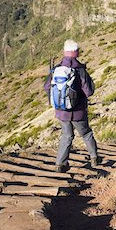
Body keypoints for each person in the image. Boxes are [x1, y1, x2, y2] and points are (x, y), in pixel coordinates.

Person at [44, 39, 99, 172]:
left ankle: (60, 163)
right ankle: (94, 158)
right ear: (76, 53)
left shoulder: (56, 69)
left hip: (62, 111)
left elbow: (47, 87)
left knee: (66, 135)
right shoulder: (80, 70)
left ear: (64, 52)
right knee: (86, 133)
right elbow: (89, 91)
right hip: (78, 111)